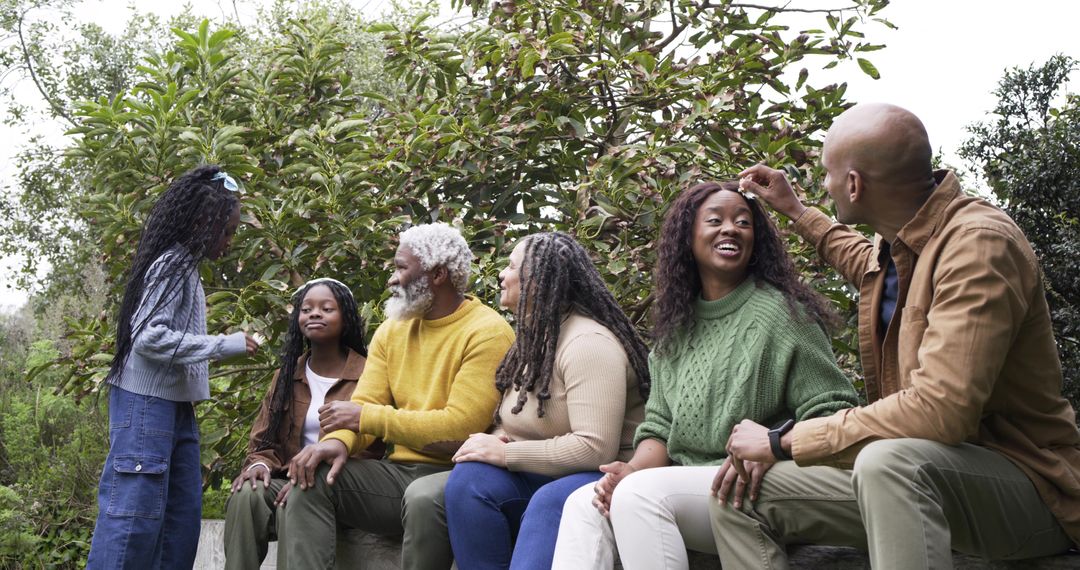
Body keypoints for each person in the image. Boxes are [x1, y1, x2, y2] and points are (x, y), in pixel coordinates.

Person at [715, 102, 1080, 569]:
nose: (824, 187)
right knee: (741, 494)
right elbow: (862, 263)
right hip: (925, 479)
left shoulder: (979, 245)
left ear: (854, 184)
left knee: (887, 462)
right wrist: (795, 209)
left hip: (1031, 487)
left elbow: (940, 410)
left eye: (827, 176)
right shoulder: (900, 247)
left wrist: (783, 440)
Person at [552, 181, 860, 570]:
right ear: (688, 238)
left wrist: (775, 443)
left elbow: (835, 408)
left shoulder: (782, 314)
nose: (730, 228)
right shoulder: (674, 330)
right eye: (715, 220)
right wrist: (627, 472)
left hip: (753, 487)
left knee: (640, 496)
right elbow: (660, 430)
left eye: (743, 222)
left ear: (756, 240)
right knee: (586, 501)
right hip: (685, 483)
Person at [404, 232, 650, 570]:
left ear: (537, 279)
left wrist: (507, 453)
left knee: (550, 501)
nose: (502, 275)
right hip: (542, 471)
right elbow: (512, 417)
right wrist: (495, 437)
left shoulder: (589, 344)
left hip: (602, 476)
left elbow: (596, 448)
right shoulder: (535, 339)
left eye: (511, 266)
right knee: (468, 481)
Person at [275, 222, 515, 569]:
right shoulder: (393, 328)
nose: (392, 278)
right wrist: (339, 442)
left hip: (460, 473)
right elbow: (366, 403)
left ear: (438, 275)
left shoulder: (487, 332)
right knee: (311, 478)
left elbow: (460, 430)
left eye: (401, 268)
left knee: (422, 498)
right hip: (398, 474)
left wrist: (366, 419)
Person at [86, 165, 259, 569]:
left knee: (180, 524)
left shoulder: (186, 267)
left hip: (175, 407)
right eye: (228, 231)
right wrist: (224, 344)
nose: (230, 241)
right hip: (145, 405)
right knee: (134, 520)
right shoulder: (171, 265)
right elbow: (148, 337)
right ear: (203, 221)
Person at [224, 277, 383, 569]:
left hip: (335, 483)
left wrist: (308, 478)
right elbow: (263, 442)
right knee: (246, 494)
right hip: (288, 478)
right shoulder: (286, 376)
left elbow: (372, 445)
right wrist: (258, 466)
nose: (315, 314)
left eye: (326, 308)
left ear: (346, 319)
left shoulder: (369, 373)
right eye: (307, 309)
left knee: (298, 498)